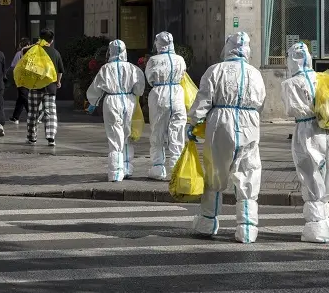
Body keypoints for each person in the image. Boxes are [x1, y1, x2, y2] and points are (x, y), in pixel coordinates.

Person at [187, 32, 266, 243]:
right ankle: (247, 229)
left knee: (215, 172)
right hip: (249, 123)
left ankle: (207, 221)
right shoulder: (255, 74)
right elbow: (260, 102)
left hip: (221, 122)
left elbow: (204, 99)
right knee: (248, 173)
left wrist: (193, 122)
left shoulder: (215, 71)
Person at [281, 42, 329, 243]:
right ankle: (325, 222)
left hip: (307, 130)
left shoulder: (290, 84)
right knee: (328, 172)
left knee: (310, 173)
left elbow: (290, 110)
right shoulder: (321, 77)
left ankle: (316, 227)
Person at [86, 39, 146, 182]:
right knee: (126, 135)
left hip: (112, 101)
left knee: (114, 136)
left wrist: (93, 102)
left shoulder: (106, 68)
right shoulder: (133, 69)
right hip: (128, 100)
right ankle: (127, 167)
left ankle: (115, 172)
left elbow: (96, 88)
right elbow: (139, 89)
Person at [145, 31, 187, 181]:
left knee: (158, 131)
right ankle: (176, 167)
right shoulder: (180, 59)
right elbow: (183, 75)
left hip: (159, 95)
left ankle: (158, 167)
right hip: (177, 94)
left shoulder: (153, 60)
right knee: (177, 130)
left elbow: (149, 78)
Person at [25, 28, 64, 147]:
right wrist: (58, 81)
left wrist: (35, 44)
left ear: (40, 39)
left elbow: (23, 52)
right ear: (51, 41)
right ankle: (51, 138)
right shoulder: (55, 53)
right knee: (50, 112)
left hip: (35, 86)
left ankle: (32, 138)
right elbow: (60, 70)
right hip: (50, 88)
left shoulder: (33, 51)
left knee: (33, 112)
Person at [9, 38, 32, 124]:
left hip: (21, 78)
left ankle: (32, 115)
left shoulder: (19, 54)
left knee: (23, 97)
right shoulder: (32, 54)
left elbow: (13, 66)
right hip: (29, 78)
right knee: (21, 97)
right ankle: (15, 117)